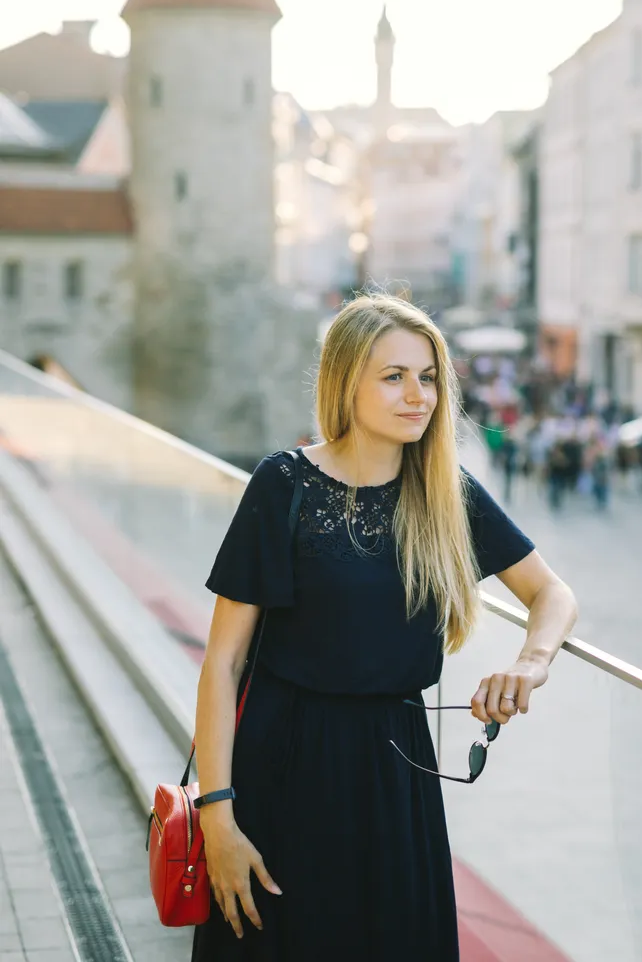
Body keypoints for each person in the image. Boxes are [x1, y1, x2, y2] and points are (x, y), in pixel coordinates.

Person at [191, 294, 578, 960]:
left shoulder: (445, 494)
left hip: (396, 769)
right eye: (393, 376)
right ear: (346, 381)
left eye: (427, 377)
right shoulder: (281, 485)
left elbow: (551, 593)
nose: (417, 395)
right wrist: (218, 817)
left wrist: (530, 663)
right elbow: (222, 663)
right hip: (282, 764)